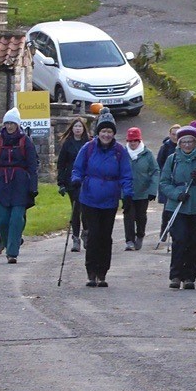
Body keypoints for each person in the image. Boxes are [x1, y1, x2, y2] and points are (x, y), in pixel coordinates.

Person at [71, 110, 133, 287]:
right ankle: (91, 272)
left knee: (106, 236)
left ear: (113, 133)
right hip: (89, 198)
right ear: (98, 133)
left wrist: (127, 194)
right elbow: (78, 168)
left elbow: (126, 175)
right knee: (94, 235)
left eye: (109, 131)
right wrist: (76, 181)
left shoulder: (120, 151)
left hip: (110, 200)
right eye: (103, 131)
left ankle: (102, 272)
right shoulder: (88, 148)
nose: (106, 134)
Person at [159, 125, 196, 290]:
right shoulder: (173, 159)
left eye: (190, 141)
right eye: (183, 141)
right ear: (179, 142)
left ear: (195, 141)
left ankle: (190, 276)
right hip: (178, 206)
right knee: (179, 239)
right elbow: (164, 182)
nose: (187, 145)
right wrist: (176, 194)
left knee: (195, 242)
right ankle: (176, 275)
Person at [0, 108, 38, 264]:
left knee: (16, 218)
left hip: (20, 183)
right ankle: (10, 243)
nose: (9, 126)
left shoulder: (25, 141)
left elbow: (32, 165)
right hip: (1, 183)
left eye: (12, 123)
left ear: (17, 124)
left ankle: (12, 252)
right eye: (7, 123)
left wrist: (33, 187)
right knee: (1, 219)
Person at [57, 116, 91, 252]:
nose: (78, 129)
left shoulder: (88, 143)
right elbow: (61, 164)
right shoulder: (67, 143)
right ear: (72, 129)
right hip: (71, 180)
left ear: (84, 129)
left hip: (86, 180)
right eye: (75, 126)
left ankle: (86, 233)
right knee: (76, 209)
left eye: (80, 126)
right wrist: (61, 183)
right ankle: (75, 237)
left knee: (86, 209)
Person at [124, 127, 160, 251]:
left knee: (141, 216)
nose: (132, 143)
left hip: (143, 191)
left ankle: (140, 235)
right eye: (130, 141)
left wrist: (152, 190)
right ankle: (129, 240)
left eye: (135, 140)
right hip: (127, 192)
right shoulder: (123, 153)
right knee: (128, 215)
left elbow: (155, 171)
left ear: (139, 140)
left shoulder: (147, 153)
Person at [156, 123, 180, 245]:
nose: (175, 136)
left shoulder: (184, 147)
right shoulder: (165, 147)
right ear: (170, 135)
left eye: (177, 134)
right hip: (168, 183)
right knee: (167, 209)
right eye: (173, 134)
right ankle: (164, 230)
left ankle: (176, 232)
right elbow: (159, 163)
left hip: (180, 183)